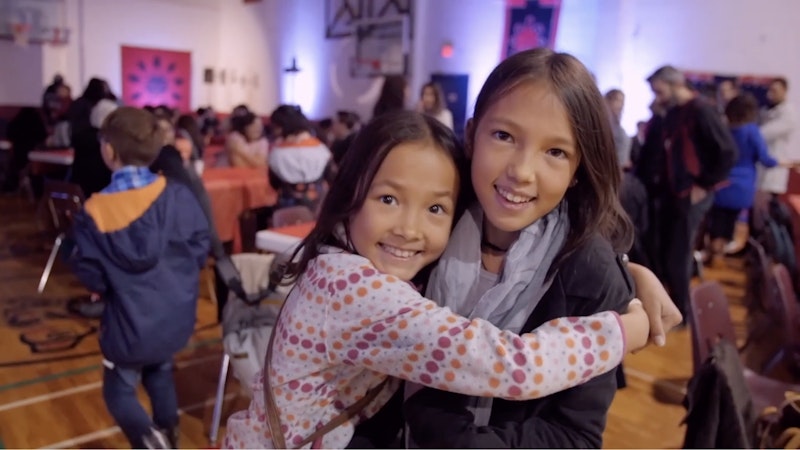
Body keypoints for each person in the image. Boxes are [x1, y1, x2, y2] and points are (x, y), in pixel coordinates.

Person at [223, 110, 653, 449]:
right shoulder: (353, 289)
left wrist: (631, 273)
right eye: (388, 198)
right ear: (351, 194)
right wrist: (620, 331)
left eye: (435, 209)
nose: (409, 229)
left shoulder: (352, 258)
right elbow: (507, 365)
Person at [388, 49, 683, 449]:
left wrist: (443, 430)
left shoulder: (591, 277)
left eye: (555, 152)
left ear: (577, 170)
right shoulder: (427, 227)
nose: (522, 172)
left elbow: (574, 435)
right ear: (472, 135)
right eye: (504, 136)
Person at [68, 107, 210, 449]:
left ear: (109, 150)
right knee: (159, 372)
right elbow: (198, 247)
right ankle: (169, 436)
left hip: (128, 324)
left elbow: (92, 275)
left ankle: (150, 442)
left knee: (118, 390)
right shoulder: (177, 194)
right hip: (174, 317)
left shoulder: (95, 211)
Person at [643, 65, 737, 320]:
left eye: (659, 90)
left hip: (693, 193)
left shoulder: (702, 111)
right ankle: (668, 307)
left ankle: (681, 312)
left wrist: (704, 184)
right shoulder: (675, 112)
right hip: (673, 192)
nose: (657, 97)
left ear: (675, 84)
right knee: (666, 250)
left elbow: (727, 152)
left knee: (679, 254)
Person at [708, 93, 781, 265]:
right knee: (730, 223)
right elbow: (765, 159)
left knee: (716, 222)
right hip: (742, 185)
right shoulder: (752, 131)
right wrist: (781, 162)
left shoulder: (723, 128)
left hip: (721, 183)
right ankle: (721, 255)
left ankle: (713, 256)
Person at [759, 77, 798, 196]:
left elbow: (765, 133)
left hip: (776, 167)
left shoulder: (788, 113)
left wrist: (750, 134)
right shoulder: (766, 110)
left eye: (775, 90)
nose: (771, 94)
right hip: (762, 166)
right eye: (770, 90)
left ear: (785, 91)